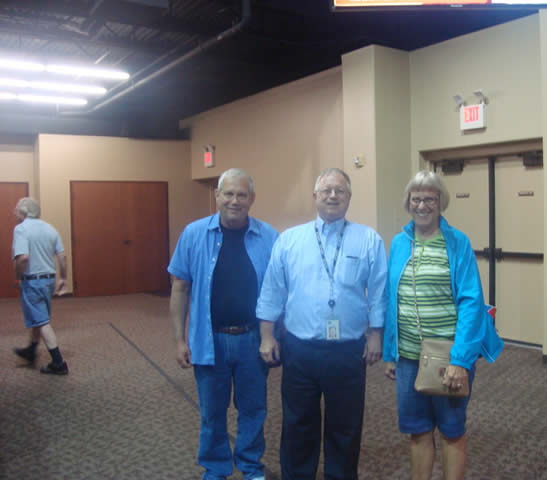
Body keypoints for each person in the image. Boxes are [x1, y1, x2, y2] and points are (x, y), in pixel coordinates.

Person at [257, 167, 387, 480]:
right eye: (326, 190)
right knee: (298, 423)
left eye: (339, 191)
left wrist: (376, 336)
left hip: (348, 351)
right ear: (315, 196)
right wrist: (266, 336)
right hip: (299, 349)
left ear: (349, 198)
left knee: (345, 426)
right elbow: (272, 290)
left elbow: (379, 292)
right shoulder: (290, 239)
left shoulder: (368, 239)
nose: (332, 196)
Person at [382, 171, 504, 480]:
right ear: (408, 202)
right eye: (417, 198)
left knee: (451, 431)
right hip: (409, 357)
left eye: (430, 199)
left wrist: (461, 361)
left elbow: (471, 302)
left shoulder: (456, 242)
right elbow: (391, 298)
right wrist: (390, 352)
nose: (422, 205)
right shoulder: (399, 243)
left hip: (449, 357)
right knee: (418, 431)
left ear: (441, 203)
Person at [168, 168, 278, 480]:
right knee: (212, 412)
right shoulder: (193, 234)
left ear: (252, 199)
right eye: (228, 193)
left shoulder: (269, 236)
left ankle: (250, 466)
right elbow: (179, 288)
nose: (234, 200)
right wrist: (179, 340)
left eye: (241, 195)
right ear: (217, 196)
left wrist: (275, 335)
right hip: (208, 339)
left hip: (253, 340)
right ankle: (215, 468)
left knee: (253, 410)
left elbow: (279, 290)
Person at [12, 197, 69, 375]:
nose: (14, 212)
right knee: (40, 316)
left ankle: (59, 363)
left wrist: (17, 276)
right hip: (49, 280)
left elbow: (23, 258)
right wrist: (63, 278)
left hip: (33, 281)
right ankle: (31, 350)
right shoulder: (50, 228)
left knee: (42, 322)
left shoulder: (21, 229)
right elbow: (62, 256)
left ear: (24, 212)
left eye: (16, 209)